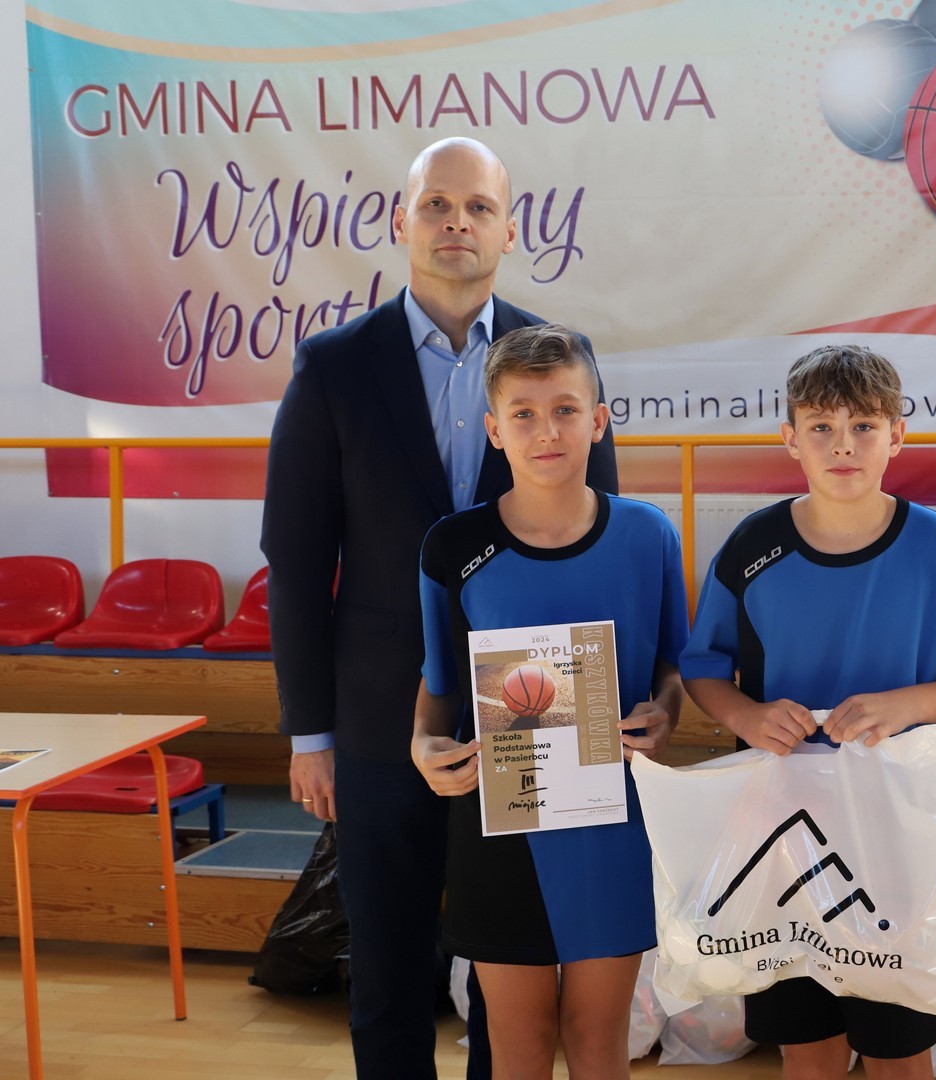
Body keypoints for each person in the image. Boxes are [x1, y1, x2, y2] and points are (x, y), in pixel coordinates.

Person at [260, 137, 617, 1079]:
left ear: (509, 229)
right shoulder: (334, 366)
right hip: (379, 722)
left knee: (513, 976)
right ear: (402, 221)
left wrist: (611, 713)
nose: (457, 222)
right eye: (437, 205)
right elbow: (295, 563)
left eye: (479, 207)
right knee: (387, 971)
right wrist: (310, 735)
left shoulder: (560, 360)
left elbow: (603, 541)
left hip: (534, 712)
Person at [680, 344, 936, 1079]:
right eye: (822, 427)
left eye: (863, 426)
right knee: (807, 1046)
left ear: (897, 435)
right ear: (789, 438)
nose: (843, 445)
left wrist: (907, 705)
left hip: (897, 834)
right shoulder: (754, 545)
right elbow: (704, 667)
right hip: (781, 832)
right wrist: (747, 717)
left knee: (899, 1046)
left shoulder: (935, 545)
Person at [411, 323, 686, 1080]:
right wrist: (423, 747)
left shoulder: (648, 535)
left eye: (565, 409)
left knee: (600, 1041)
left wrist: (665, 712)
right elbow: (437, 688)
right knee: (519, 1045)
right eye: (524, 414)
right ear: (494, 430)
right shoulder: (452, 547)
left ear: (598, 420)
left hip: (611, 819)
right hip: (501, 826)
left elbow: (672, 669)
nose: (547, 430)